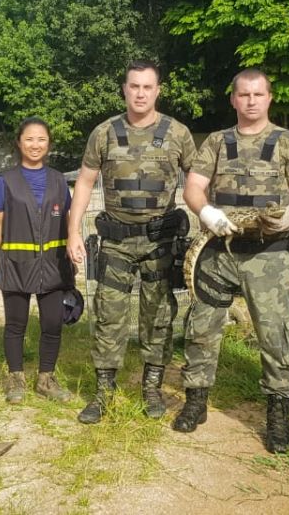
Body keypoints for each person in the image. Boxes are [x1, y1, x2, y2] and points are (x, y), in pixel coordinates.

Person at [172, 68, 289, 454]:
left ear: (269, 98)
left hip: (268, 254)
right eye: (243, 95)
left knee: (275, 332)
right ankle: (196, 400)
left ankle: (278, 411)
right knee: (202, 325)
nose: (251, 101)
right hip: (220, 250)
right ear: (233, 99)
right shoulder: (217, 142)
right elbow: (194, 188)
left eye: (258, 94)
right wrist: (208, 215)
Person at [67, 60, 197, 424]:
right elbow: (85, 182)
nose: (140, 93)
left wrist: (213, 220)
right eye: (134, 86)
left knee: (158, 316)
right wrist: (72, 230)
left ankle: (151, 387)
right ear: (124, 89)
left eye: (147, 87)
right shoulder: (104, 133)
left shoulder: (178, 134)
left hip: (160, 243)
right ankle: (104, 392)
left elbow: (198, 181)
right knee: (109, 316)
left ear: (158, 90)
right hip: (116, 242)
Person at [0, 117, 75, 405]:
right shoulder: (6, 181)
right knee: (16, 323)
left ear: (48, 144)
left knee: (52, 323)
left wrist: (73, 250)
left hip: (52, 265)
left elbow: (68, 219)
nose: (35, 144)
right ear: (19, 142)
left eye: (41, 139)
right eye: (29, 139)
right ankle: (16, 379)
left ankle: (46, 379)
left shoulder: (59, 180)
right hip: (15, 262)